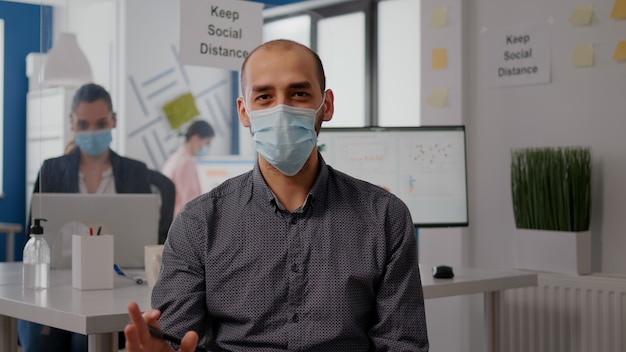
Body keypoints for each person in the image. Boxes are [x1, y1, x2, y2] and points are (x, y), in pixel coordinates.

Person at [124, 39, 429, 352]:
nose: (281, 109)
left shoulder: (384, 217)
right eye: (265, 96)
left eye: (299, 93)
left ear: (327, 105)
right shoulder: (198, 223)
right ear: (244, 111)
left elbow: (401, 344)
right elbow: (176, 340)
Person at [18, 83, 153, 352]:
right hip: (58, 285)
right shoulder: (52, 170)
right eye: (83, 124)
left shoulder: (136, 172)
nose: (92, 132)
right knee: (40, 342)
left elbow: (149, 239)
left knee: (86, 342)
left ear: (114, 120)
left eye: (101, 123)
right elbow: (33, 236)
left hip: (116, 284)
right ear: (72, 124)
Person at [161, 119, 215, 217]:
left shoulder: (177, 157)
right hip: (182, 220)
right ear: (195, 138)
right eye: (207, 143)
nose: (207, 147)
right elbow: (191, 201)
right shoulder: (186, 162)